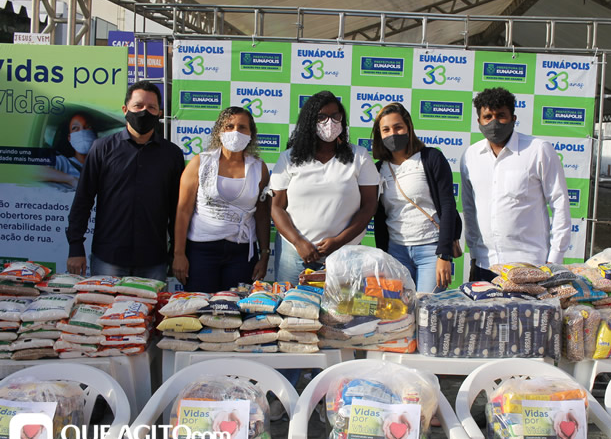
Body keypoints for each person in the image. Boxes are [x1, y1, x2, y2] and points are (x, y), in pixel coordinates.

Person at [66, 81, 185, 281]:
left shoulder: (171, 154)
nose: (144, 112)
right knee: (105, 312)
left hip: (153, 260)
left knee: (149, 312)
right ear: (125, 109)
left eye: (151, 107)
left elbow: (177, 209)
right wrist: (75, 246)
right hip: (108, 258)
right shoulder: (101, 149)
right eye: (138, 106)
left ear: (159, 112)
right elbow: (83, 199)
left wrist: (176, 252)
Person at [461, 87, 571, 282]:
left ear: (513, 118)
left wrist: (554, 261)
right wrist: (475, 254)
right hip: (486, 265)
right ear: (479, 122)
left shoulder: (538, 150)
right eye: (487, 117)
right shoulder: (470, 156)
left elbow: (559, 203)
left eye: (501, 116)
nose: (494, 122)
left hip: (530, 265)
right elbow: (469, 209)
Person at [270, 90, 379, 285]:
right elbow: (276, 207)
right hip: (295, 254)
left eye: (335, 116)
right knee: (291, 309)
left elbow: (369, 206)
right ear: (309, 121)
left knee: (340, 314)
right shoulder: (289, 158)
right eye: (322, 117)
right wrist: (298, 242)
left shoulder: (359, 157)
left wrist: (339, 241)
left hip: (345, 253)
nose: (330, 122)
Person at [172, 107, 271, 292]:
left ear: (251, 134)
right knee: (198, 308)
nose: (235, 132)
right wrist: (178, 254)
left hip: (242, 254)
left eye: (242, 127)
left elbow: (263, 215)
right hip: (201, 250)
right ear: (219, 131)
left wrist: (264, 255)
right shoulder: (199, 163)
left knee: (235, 312)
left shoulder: (259, 168)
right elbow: (183, 210)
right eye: (229, 126)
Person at [372, 102, 461, 292]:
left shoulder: (431, 158)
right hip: (396, 252)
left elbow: (447, 206)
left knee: (426, 313)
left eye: (398, 127)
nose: (393, 134)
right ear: (380, 135)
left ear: (408, 128)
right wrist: (383, 257)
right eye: (386, 130)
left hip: (431, 250)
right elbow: (380, 218)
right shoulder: (378, 169)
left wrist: (444, 255)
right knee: (399, 315)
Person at [39, 112, 98, 189]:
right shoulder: (63, 162)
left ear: (95, 134)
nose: (82, 132)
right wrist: (71, 179)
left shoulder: (103, 166)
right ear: (69, 138)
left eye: (88, 127)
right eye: (75, 128)